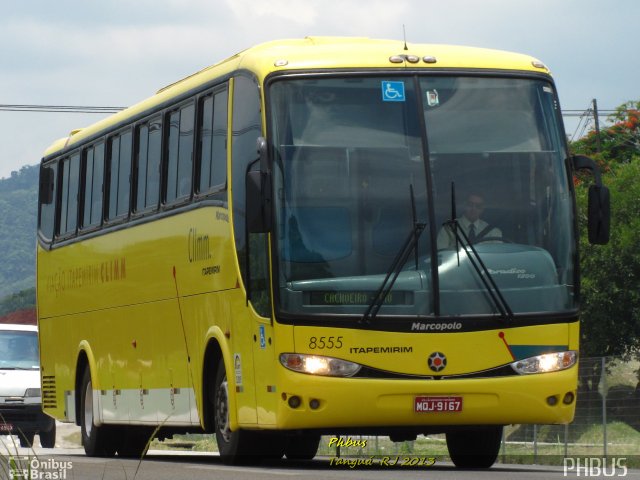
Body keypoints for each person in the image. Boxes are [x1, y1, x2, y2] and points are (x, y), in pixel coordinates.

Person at [437, 193, 502, 249]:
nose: (473, 209)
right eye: (470, 204)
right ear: (464, 205)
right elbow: (441, 255)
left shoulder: (493, 232)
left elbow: (497, 256)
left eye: (478, 206)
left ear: (483, 209)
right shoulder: (449, 229)